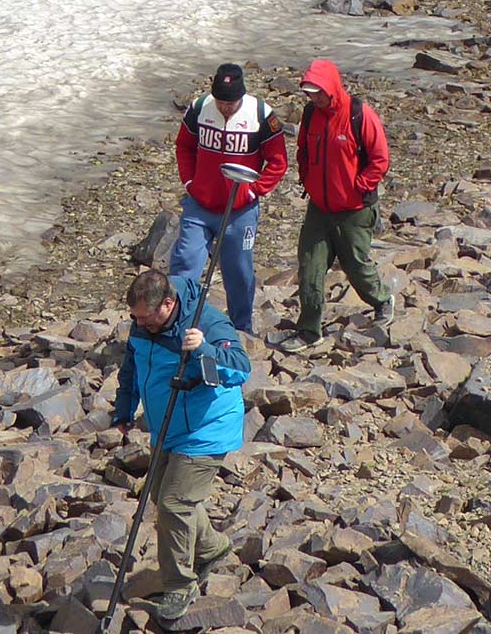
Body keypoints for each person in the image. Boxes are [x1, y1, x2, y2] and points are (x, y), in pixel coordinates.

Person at [109, 269, 252, 620]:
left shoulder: (207, 320)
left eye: (145, 317)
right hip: (167, 426)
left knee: (174, 503)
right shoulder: (142, 325)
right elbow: (131, 367)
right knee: (161, 495)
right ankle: (213, 549)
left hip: (206, 428)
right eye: (135, 317)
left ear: (168, 303)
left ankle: (179, 585)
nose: (140, 324)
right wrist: (124, 410)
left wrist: (202, 348)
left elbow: (240, 368)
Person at [134, 62, 286, 334]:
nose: (225, 107)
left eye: (231, 102)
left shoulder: (262, 115)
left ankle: (241, 329)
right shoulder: (199, 108)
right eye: (221, 101)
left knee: (238, 271)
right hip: (199, 205)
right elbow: (184, 146)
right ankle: (176, 325)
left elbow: (277, 161)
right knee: (185, 265)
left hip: (241, 210)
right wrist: (190, 181)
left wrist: (255, 189)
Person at [280, 59, 393, 348]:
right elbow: (303, 150)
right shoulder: (310, 114)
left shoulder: (359, 114)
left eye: (318, 92)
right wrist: (307, 179)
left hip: (354, 210)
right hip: (319, 207)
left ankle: (382, 300)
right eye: (309, 92)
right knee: (310, 266)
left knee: (355, 264)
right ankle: (309, 330)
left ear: (331, 87)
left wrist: (359, 187)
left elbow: (380, 159)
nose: (313, 98)